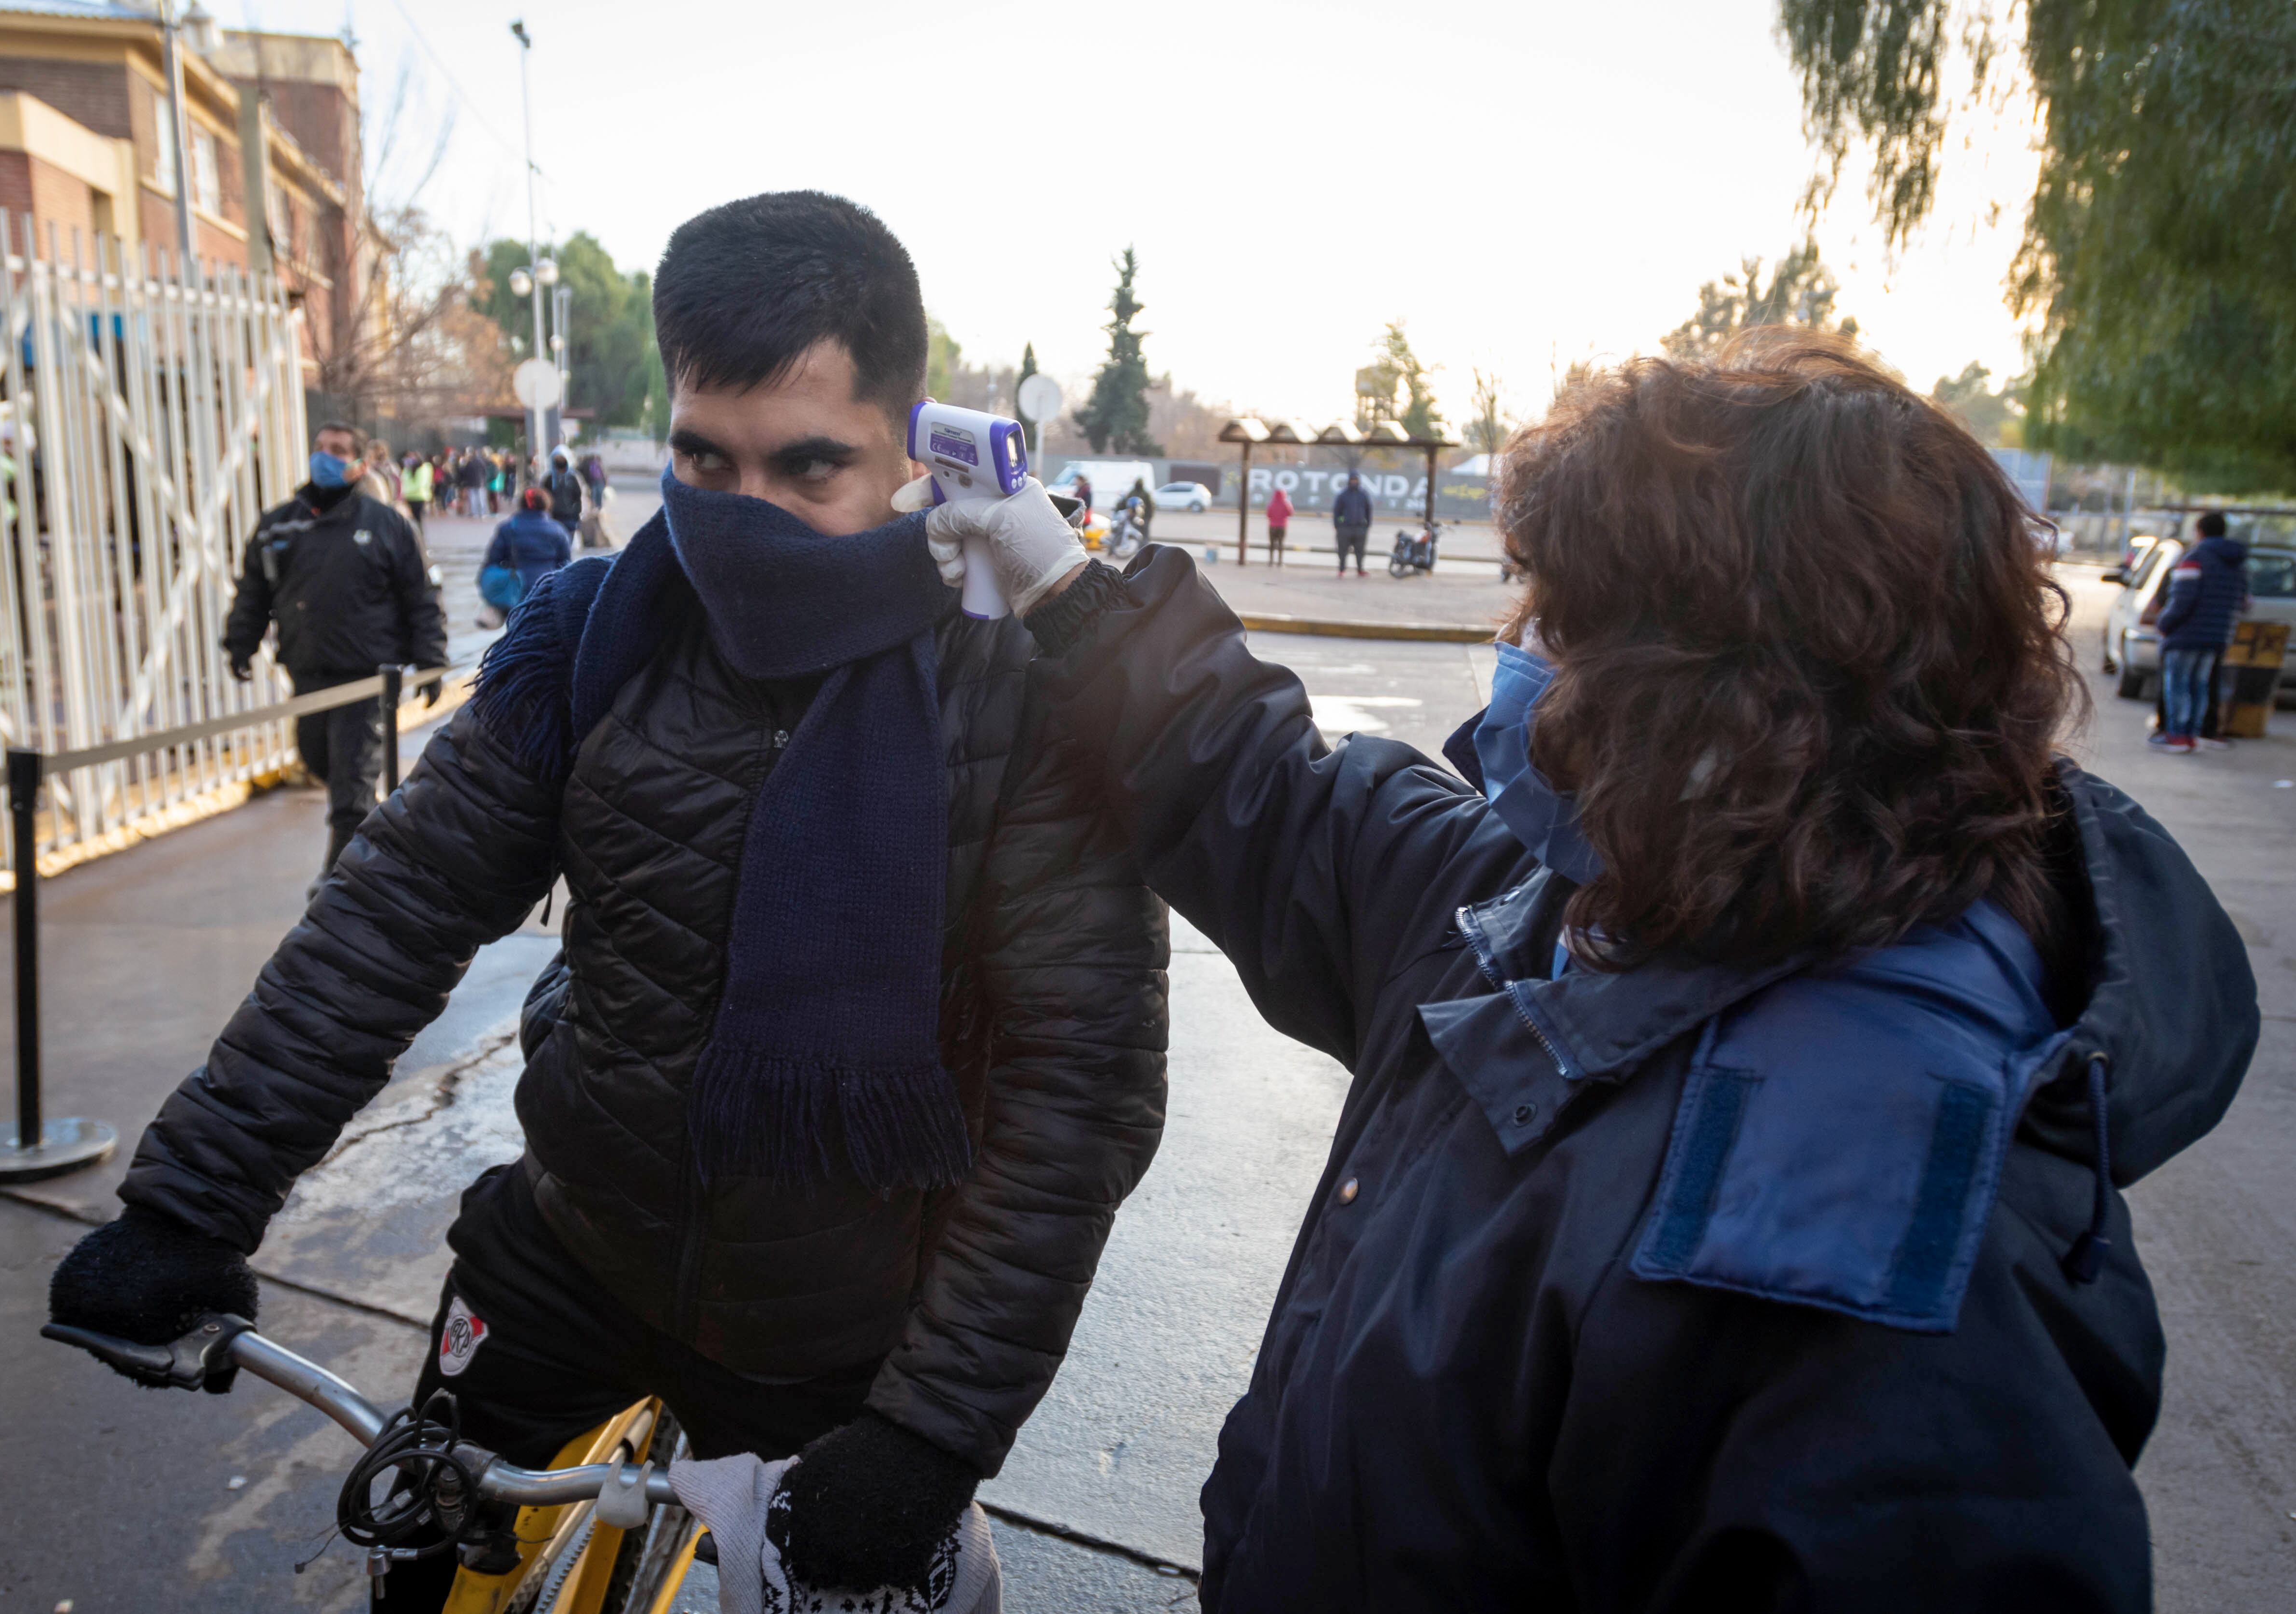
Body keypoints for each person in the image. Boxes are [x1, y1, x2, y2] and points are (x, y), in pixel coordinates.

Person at [926, 329, 2255, 1610]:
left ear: (1729, 692)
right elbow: (1269, 796)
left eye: (1559, 617)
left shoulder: (1860, 1247)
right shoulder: (1584, 901)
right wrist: (1067, 582)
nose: (1519, 652)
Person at [48, 192, 1167, 1610]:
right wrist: (191, 1205)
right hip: (566, 1245)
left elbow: (1082, 1093)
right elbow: (393, 907)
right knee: (423, 1574)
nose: (741, 521)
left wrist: (930, 1429)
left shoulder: (1027, 694)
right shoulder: (589, 629)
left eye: (804, 467)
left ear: (907, 447)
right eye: (705, 460)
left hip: (847, 1330)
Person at [218, 421, 447, 876]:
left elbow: (420, 596)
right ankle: (376, 834)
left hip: (365, 679)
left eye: (339, 450)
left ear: (359, 464)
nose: (326, 456)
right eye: (321, 447)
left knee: (351, 789)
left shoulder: (386, 525)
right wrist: (240, 643)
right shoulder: (279, 524)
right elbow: (254, 591)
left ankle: (339, 887)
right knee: (317, 758)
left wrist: (431, 662)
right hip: (307, 672)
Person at [2153, 509, 2249, 754]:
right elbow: (2244, 602)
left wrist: (2164, 624)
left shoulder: (2195, 557)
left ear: (2200, 531)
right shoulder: (2237, 564)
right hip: (2218, 635)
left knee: (2178, 685)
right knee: (2200, 686)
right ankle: (2193, 735)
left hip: (2186, 635)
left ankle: (2176, 735)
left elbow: (2183, 599)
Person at [480, 484, 572, 621]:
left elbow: (492, 561)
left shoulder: (507, 528)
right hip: (548, 591)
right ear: (546, 505)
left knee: (516, 632)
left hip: (516, 593)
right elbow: (567, 566)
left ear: (521, 504)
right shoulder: (558, 530)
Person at [1332, 466, 1372, 576]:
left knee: (1360, 551)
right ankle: (1342, 569)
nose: (1354, 482)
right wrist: (1338, 525)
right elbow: (1337, 511)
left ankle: (1360, 569)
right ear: (1349, 481)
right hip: (1345, 528)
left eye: (1356, 480)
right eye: (1352, 480)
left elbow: (1369, 510)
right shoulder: (1343, 495)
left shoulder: (1364, 494)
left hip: (1360, 528)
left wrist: (1367, 525)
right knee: (1342, 551)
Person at [545, 447, 589, 537]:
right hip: (555, 518)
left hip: (569, 518)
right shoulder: (549, 479)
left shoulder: (573, 478)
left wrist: (578, 515)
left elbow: (579, 497)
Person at [403, 451, 434, 532]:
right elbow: (403, 480)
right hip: (408, 497)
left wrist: (405, 491)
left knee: (417, 519)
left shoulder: (423, 469)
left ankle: (418, 536)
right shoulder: (408, 469)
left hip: (419, 497)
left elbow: (419, 484)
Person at [1265, 482, 1294, 565]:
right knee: (1281, 544)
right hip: (1282, 526)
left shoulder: (1272, 503)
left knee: (1272, 544)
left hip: (1272, 526)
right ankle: (1280, 562)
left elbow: (1268, 514)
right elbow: (1290, 513)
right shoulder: (1286, 503)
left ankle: (1271, 561)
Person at [458, 447, 490, 518]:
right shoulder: (482, 462)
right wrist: (484, 480)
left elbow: (465, 473)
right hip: (481, 483)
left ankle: (474, 513)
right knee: (482, 499)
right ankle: (483, 513)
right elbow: (485, 473)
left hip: (471, 483)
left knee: (473, 499)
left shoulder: (470, 463)